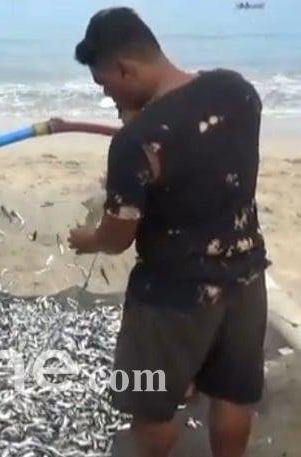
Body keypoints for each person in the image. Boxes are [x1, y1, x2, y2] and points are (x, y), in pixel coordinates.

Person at [67, 8, 269, 457]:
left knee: (151, 407)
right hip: (246, 277)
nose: (108, 96)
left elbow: (117, 237)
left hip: (172, 298)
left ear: (125, 69)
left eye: (106, 85)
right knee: (234, 394)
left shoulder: (137, 141)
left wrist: (88, 240)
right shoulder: (237, 91)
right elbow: (205, 162)